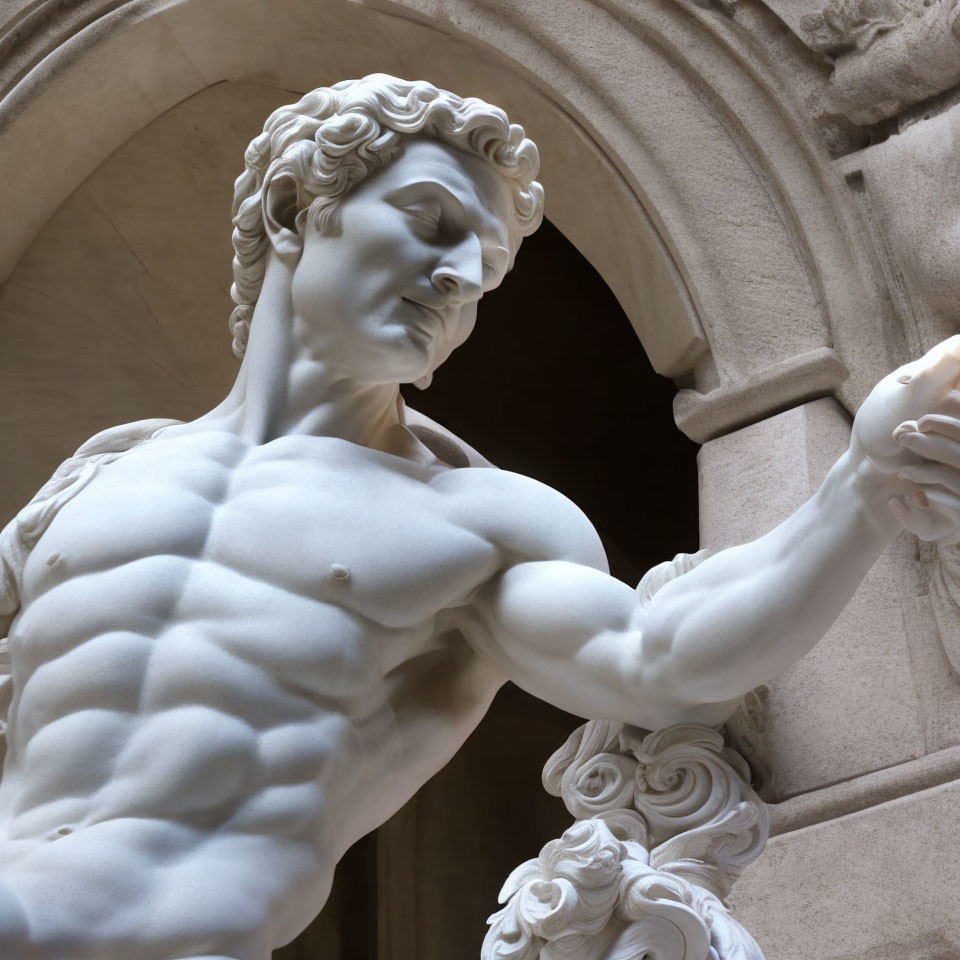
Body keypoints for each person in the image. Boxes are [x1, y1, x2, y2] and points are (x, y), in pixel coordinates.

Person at [0, 74, 958, 960]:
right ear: (296, 211)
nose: (461, 275)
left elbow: (658, 662)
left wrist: (860, 484)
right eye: (430, 221)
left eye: (487, 264)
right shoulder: (98, 482)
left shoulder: (475, 522)